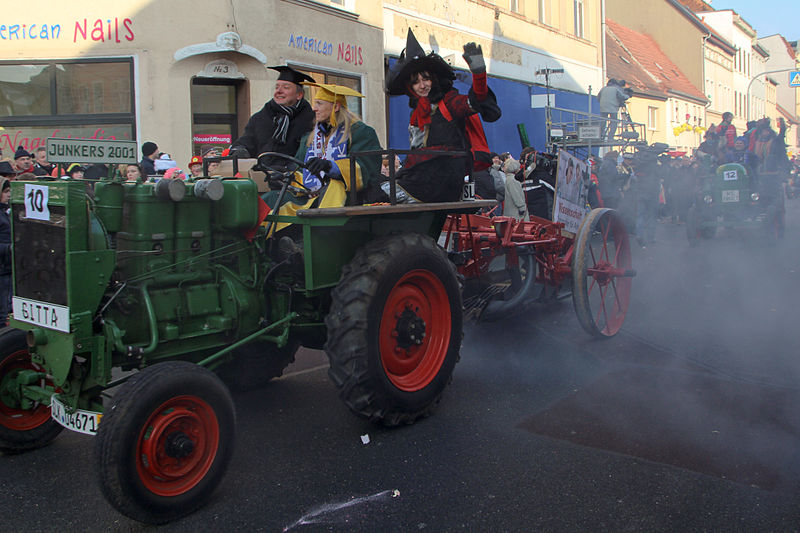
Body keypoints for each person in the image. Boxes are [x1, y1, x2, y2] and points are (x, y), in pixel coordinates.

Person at [382, 29, 501, 203]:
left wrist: (479, 74)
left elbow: (476, 101)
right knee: (376, 189)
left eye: (426, 79)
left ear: (434, 79)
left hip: (444, 178)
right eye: (416, 82)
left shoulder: (449, 102)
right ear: (409, 86)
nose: (422, 85)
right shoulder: (416, 114)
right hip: (422, 177)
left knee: (384, 192)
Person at [264, 82, 381, 233]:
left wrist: (331, 167)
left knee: (332, 189)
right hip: (308, 194)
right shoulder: (311, 137)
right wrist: (285, 174)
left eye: (319, 103)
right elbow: (300, 168)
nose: (314, 108)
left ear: (336, 107)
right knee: (270, 199)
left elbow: (366, 169)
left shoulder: (360, 132)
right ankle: (259, 244)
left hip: (344, 196)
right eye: (314, 103)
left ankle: (306, 241)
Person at [229, 66, 315, 167]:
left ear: (299, 95)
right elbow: (246, 141)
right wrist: (240, 149)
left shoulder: (311, 120)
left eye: (286, 87)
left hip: (294, 179)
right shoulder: (260, 118)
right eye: (277, 87)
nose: (279, 91)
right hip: (262, 176)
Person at [0, 178, 11, 326]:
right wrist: (9, 248)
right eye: (6, 192)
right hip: (2, 270)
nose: (9, 195)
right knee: (3, 315)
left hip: (6, 268)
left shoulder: (3, 212)